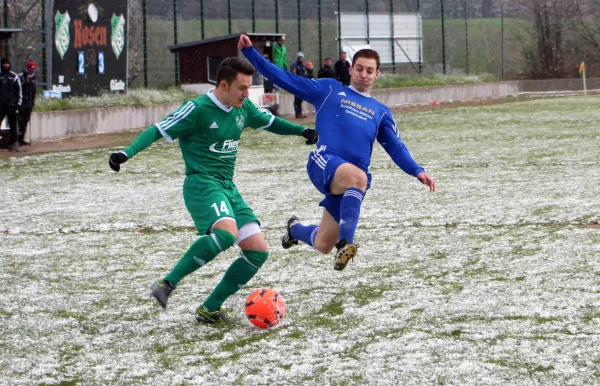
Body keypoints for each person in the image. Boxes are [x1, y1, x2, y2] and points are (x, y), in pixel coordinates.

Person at [108, 57, 318, 324]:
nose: (247, 93)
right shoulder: (196, 109)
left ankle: (210, 308)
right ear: (223, 85)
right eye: (242, 88)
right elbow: (157, 130)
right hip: (202, 183)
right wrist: (126, 153)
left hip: (227, 186)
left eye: (249, 87)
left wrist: (302, 131)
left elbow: (270, 122)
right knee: (226, 235)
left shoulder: (243, 109)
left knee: (257, 251)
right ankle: (167, 283)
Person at [239, 34, 436, 271]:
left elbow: (395, 146)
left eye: (369, 71)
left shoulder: (381, 112)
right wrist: (251, 54)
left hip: (351, 181)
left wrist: (417, 170)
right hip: (325, 161)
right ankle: (346, 243)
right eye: (360, 69)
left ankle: (294, 230)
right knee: (359, 178)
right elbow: (285, 78)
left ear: (377, 75)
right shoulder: (329, 90)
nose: (364, 74)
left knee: (323, 243)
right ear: (351, 69)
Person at [0, 58, 22, 152]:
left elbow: (19, 92)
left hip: (11, 105)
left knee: (13, 125)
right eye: (4, 64)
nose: (5, 65)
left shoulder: (14, 76)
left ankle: (14, 143)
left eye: (7, 63)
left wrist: (17, 105)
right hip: (1, 106)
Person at [18, 61, 37, 146]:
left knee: (25, 120)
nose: (31, 72)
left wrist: (32, 102)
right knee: (19, 120)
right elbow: (19, 88)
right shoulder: (21, 76)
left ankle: (21, 138)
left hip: (29, 103)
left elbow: (33, 91)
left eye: (33, 70)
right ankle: (16, 139)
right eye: (30, 70)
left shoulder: (33, 78)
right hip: (22, 102)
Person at [290, 52, 307, 118]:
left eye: (302, 57)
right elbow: (293, 74)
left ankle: (300, 113)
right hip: (297, 85)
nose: (301, 59)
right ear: (297, 58)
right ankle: (297, 114)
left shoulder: (303, 66)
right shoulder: (294, 65)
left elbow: (305, 75)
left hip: (302, 85)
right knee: (297, 99)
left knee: (300, 99)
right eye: (299, 58)